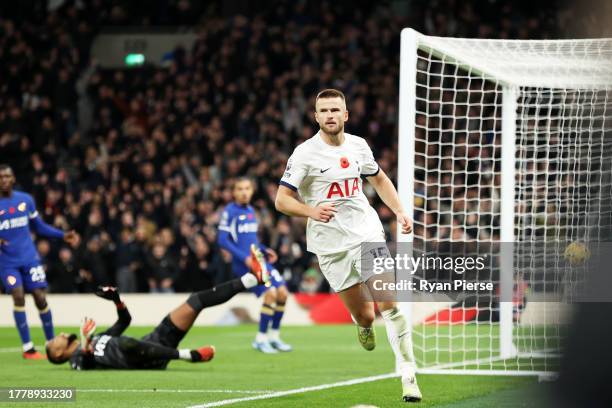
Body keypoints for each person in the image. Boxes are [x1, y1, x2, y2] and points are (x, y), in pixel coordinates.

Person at [274, 89, 422, 402]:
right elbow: (282, 200)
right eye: (323, 110)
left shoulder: (359, 146)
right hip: (330, 246)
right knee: (367, 316)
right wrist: (311, 211)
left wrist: (398, 211)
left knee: (390, 305)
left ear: (346, 115)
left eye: (335, 110)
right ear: (316, 116)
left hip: (367, 233)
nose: (329, 115)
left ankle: (408, 375)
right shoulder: (304, 154)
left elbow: (379, 179)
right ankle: (362, 324)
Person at [45, 252, 269, 369]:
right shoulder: (76, 360)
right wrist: (84, 343)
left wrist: (116, 300)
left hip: (151, 342)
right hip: (142, 357)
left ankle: (252, 278)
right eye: (55, 341)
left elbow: (124, 322)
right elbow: (84, 363)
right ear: (57, 354)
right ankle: (188, 356)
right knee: (126, 345)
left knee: (195, 301)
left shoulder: (96, 339)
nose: (60, 335)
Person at [0, 164, 80, 359]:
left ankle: (52, 343)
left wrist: (62, 235)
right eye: (0, 177)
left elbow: (39, 226)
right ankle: (28, 349)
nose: (4, 180)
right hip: (7, 263)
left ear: (13, 178)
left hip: (30, 259)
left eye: (7, 176)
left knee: (40, 297)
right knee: (18, 295)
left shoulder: (26, 200)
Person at [217, 178, 292, 353]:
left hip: (259, 259)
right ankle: (260, 339)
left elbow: (251, 241)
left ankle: (274, 337)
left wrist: (265, 250)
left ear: (252, 191)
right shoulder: (230, 211)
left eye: (247, 188)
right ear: (234, 192)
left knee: (282, 293)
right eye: (240, 189)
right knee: (270, 294)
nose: (244, 192)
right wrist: (244, 258)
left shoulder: (251, 210)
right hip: (246, 264)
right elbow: (222, 240)